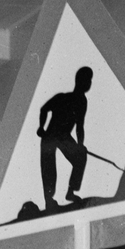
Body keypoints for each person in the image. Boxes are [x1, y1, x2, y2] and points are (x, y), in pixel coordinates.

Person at [37, 65, 93, 209]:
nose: (89, 83)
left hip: (63, 137)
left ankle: (70, 192)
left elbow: (80, 125)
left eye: (89, 80)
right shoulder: (63, 97)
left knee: (80, 157)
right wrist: (41, 127)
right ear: (79, 81)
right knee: (49, 168)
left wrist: (80, 145)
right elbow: (44, 109)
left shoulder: (82, 101)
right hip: (50, 136)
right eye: (87, 80)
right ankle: (49, 200)